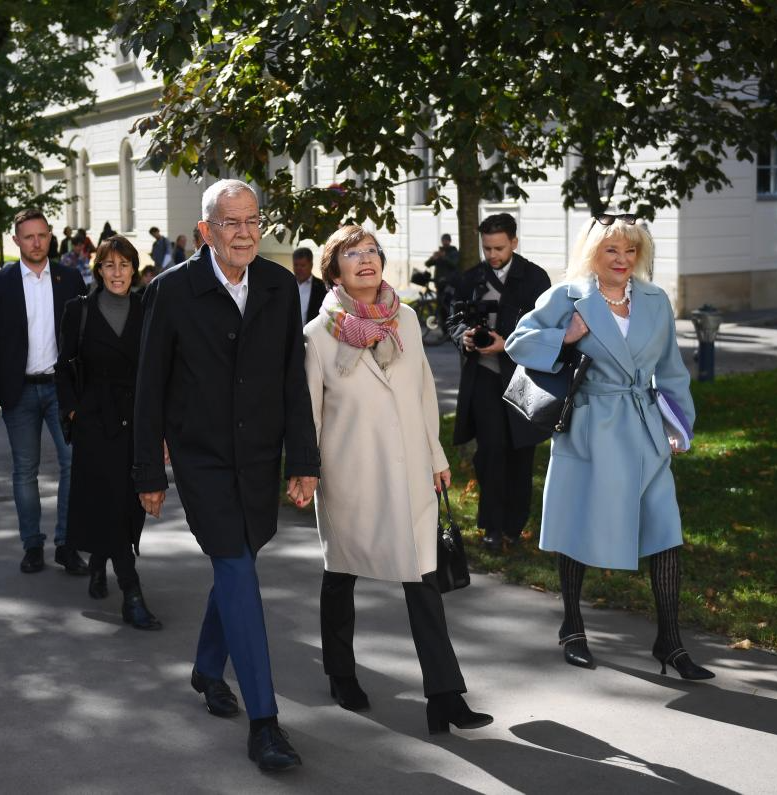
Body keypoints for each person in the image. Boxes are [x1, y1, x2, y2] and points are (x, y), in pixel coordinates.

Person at [133, 179, 319, 772]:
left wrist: (304, 459)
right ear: (206, 231)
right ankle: (265, 723)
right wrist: (148, 470)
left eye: (252, 221)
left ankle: (208, 668)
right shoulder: (171, 291)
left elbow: (292, 378)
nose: (244, 233)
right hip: (203, 458)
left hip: (260, 456)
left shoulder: (277, 285)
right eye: (231, 223)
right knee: (236, 566)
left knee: (238, 563)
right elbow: (148, 387)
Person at [505, 213, 714, 680]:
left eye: (630, 250)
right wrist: (566, 335)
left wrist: (679, 425)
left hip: (644, 430)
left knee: (665, 532)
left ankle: (670, 642)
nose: (622, 259)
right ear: (593, 252)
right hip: (588, 429)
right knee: (576, 524)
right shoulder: (568, 295)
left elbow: (671, 369)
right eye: (611, 250)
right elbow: (518, 343)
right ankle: (572, 627)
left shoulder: (655, 301)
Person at [304, 226, 493, 735]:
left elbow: (424, 391)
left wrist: (436, 455)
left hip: (409, 469)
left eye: (372, 251)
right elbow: (310, 415)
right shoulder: (317, 335)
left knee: (423, 577)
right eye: (352, 253)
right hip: (351, 476)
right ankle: (341, 673)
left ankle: (445, 696)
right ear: (334, 270)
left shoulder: (405, 318)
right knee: (341, 575)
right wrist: (307, 472)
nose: (366, 259)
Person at [0, 208, 89, 575]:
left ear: (50, 236)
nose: (37, 243)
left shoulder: (70, 278)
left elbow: (86, 336)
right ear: (16, 241)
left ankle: (67, 544)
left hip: (61, 389)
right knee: (25, 470)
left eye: (42, 235)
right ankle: (32, 545)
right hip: (18, 390)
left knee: (74, 463)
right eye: (29, 237)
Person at [56, 235, 160, 629]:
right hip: (95, 424)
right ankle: (131, 592)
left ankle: (99, 560)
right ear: (98, 269)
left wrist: (161, 427)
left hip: (136, 422)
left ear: (134, 270)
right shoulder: (78, 310)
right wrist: (73, 410)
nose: (117, 273)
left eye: (124, 265)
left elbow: (159, 368)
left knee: (127, 503)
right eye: (109, 265)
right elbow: (63, 366)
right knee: (110, 500)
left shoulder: (148, 310)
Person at [445, 213, 551, 552]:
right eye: (487, 248)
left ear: (514, 243)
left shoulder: (535, 278)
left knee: (521, 453)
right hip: (485, 379)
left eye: (499, 248)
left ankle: (514, 527)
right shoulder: (470, 279)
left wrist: (508, 345)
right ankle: (491, 527)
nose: (492, 255)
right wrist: (464, 337)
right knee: (490, 454)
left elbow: (548, 330)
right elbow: (453, 320)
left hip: (524, 379)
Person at [292, 246, 326, 325]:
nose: (299, 269)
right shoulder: (286, 285)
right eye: (296, 265)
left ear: (311, 265)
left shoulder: (322, 287)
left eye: (303, 265)